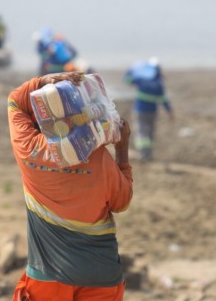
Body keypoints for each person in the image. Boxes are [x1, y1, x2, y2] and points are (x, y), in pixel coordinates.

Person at [8, 71, 133, 300]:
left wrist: (44, 81)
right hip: (100, 274)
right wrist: (122, 150)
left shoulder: (30, 151)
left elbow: (15, 102)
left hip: (49, 277)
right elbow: (121, 203)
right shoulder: (100, 158)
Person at [123, 57, 173, 162]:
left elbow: (127, 80)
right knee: (150, 132)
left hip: (140, 111)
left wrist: (129, 71)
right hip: (152, 112)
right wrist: (169, 112)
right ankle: (148, 154)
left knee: (142, 132)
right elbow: (163, 99)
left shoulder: (142, 80)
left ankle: (144, 154)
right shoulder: (159, 83)